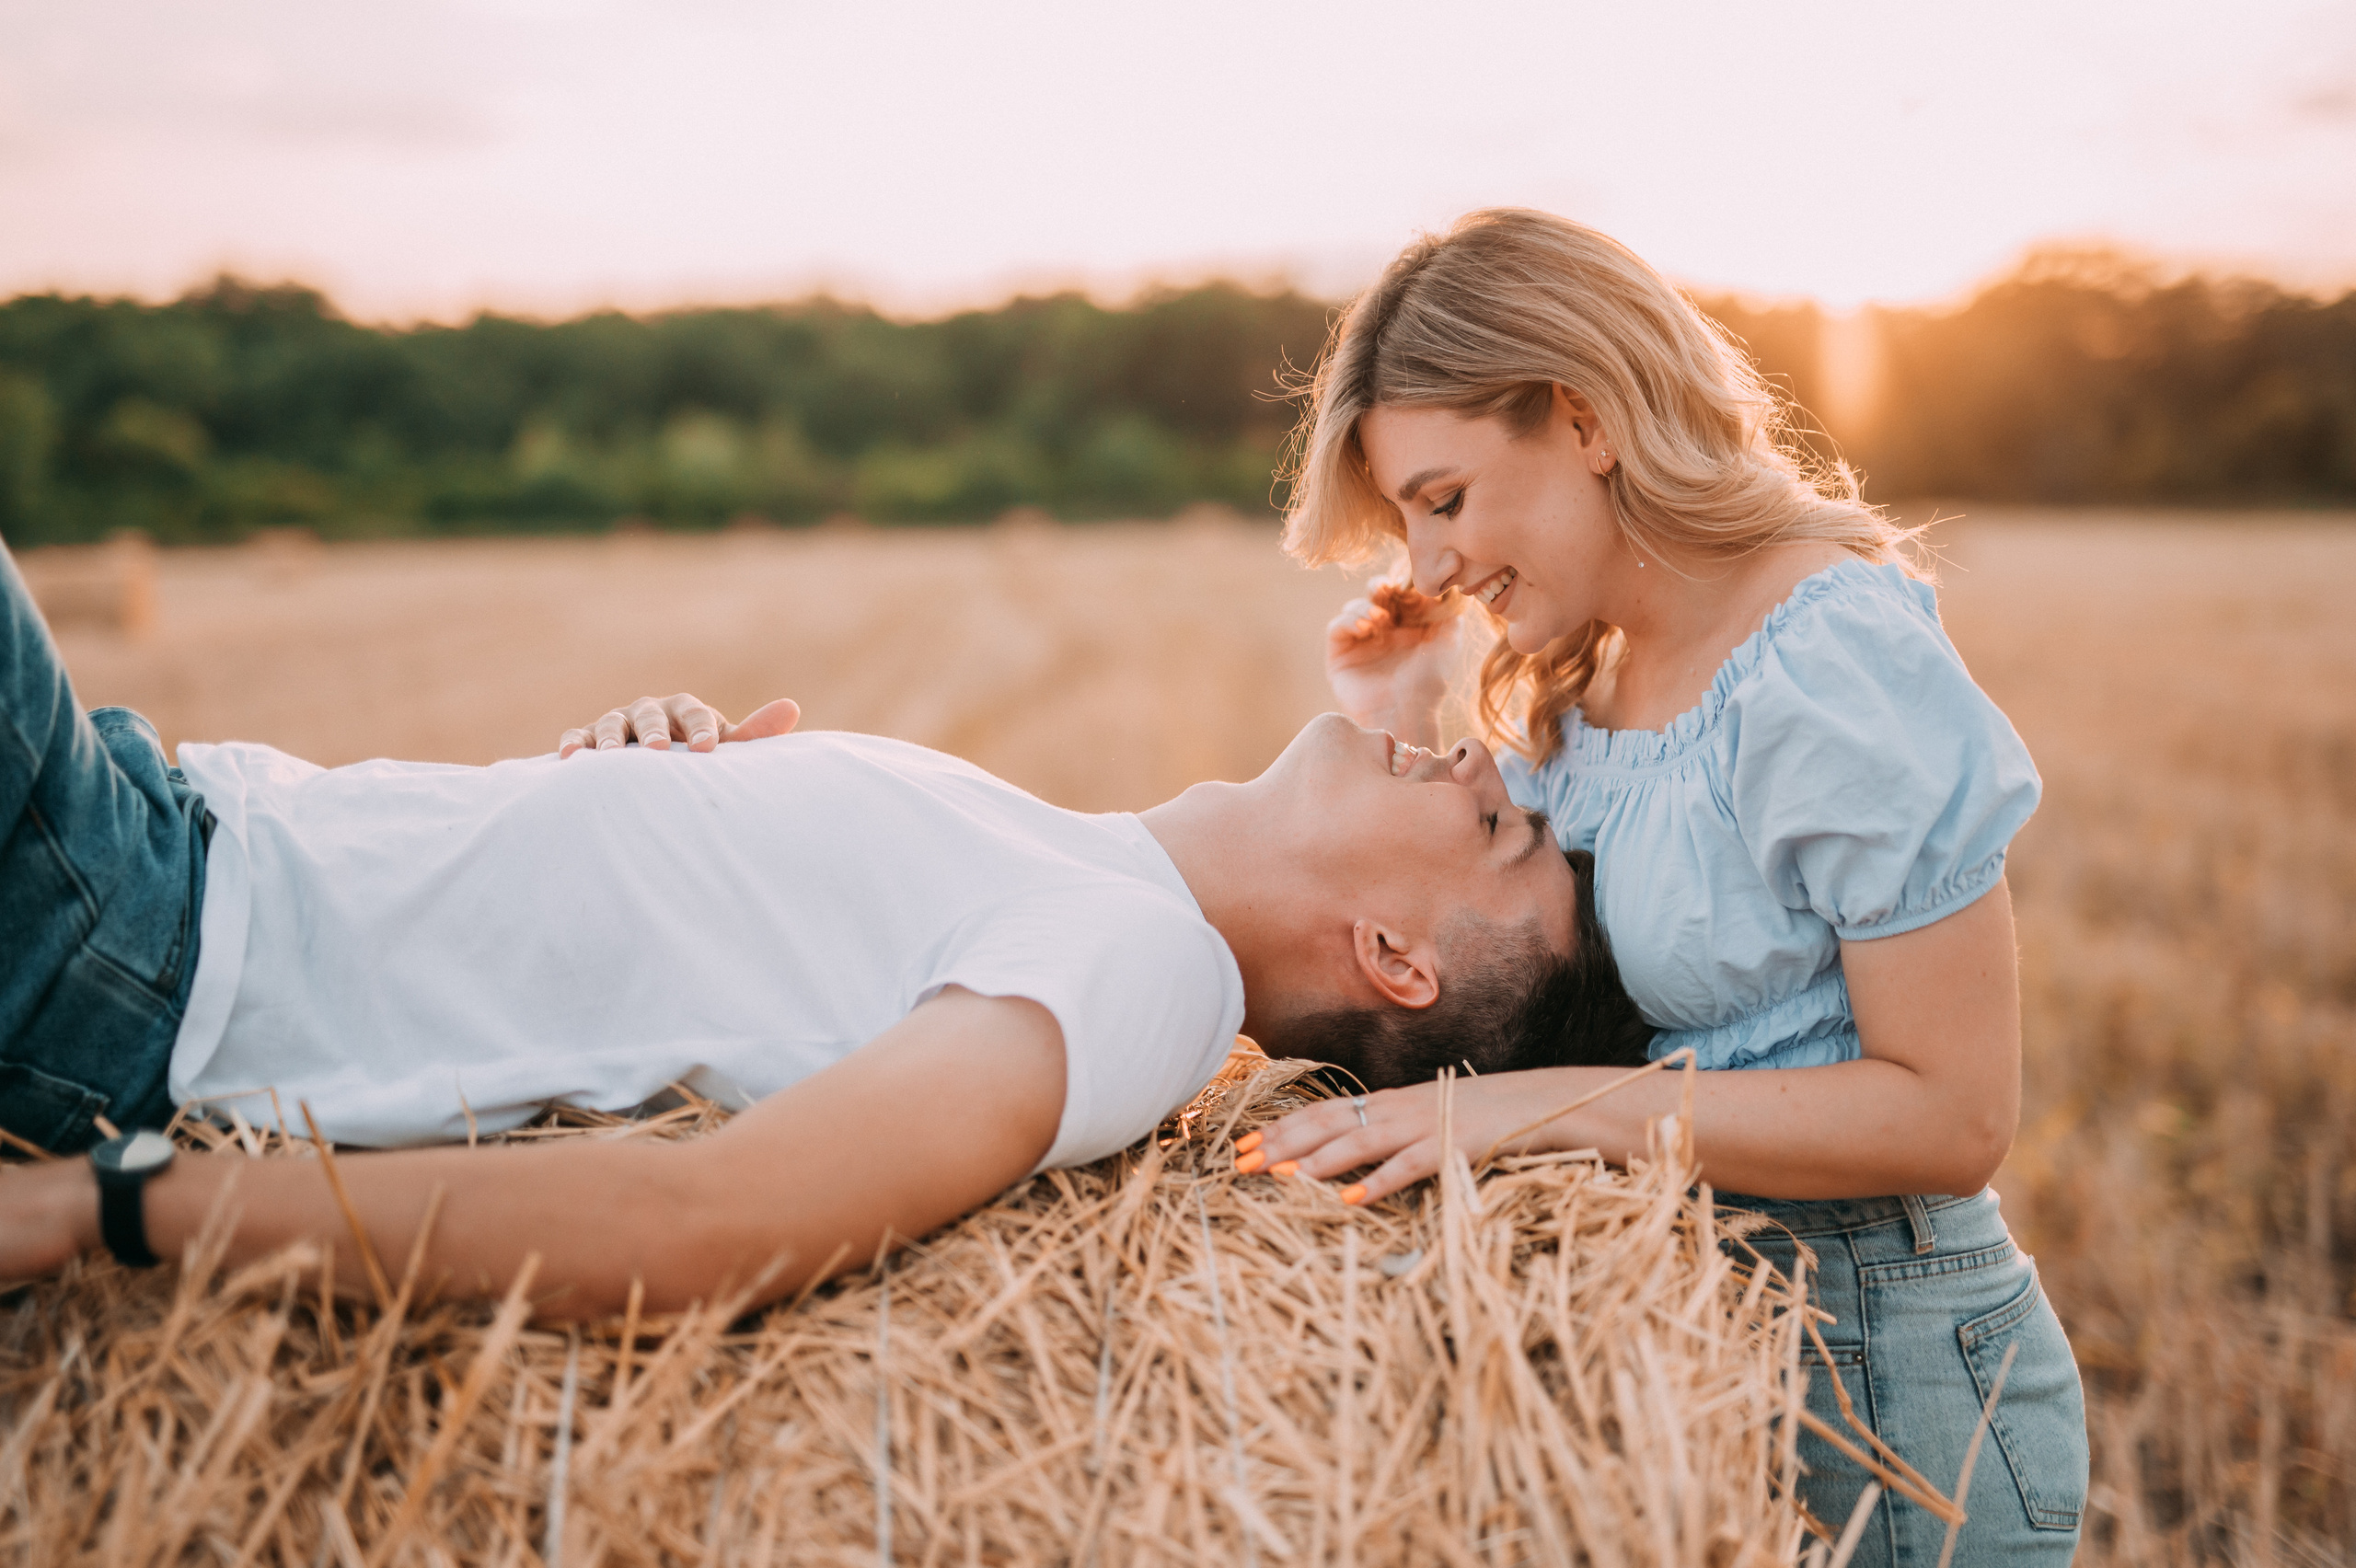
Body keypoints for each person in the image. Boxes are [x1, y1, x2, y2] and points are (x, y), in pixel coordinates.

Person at [0, 538, 1648, 1318]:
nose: (1474, 763)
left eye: (1493, 820)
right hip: (171, 850)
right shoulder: (1087, 870)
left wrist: (110, 1213)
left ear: (1396, 964)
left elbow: (717, 1217)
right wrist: (628, 798)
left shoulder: (1142, 972)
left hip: (143, 940)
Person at [1223, 208, 2089, 1563]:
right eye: (1408, 519)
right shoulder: (1589, 675)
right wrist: (1398, 704)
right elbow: (1513, 964)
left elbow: (1956, 1115)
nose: (1429, 567)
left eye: (1443, 500)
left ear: (1585, 419)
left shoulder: (1828, 662)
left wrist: (1530, 1115)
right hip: (1698, 1361)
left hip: (1898, 1388)